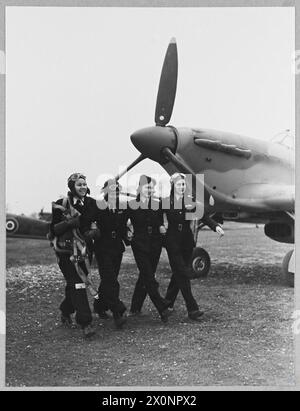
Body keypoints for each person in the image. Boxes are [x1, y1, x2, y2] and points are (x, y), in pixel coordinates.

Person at [163, 173, 224, 320]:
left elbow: (203, 216)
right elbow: (153, 217)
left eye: (183, 185)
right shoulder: (165, 202)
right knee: (183, 273)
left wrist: (215, 227)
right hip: (172, 242)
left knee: (178, 274)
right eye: (179, 184)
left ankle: (166, 304)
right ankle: (192, 309)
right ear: (173, 186)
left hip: (186, 242)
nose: (182, 187)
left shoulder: (189, 201)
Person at [49, 173, 96, 338]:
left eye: (84, 184)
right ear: (72, 187)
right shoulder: (60, 205)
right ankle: (86, 322)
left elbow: (91, 225)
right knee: (78, 284)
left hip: (84, 253)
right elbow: (53, 229)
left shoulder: (91, 204)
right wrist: (69, 223)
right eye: (79, 184)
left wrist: (92, 232)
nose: (83, 187)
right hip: (66, 252)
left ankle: (65, 309)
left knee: (74, 283)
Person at [81, 179, 128, 329]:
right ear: (106, 191)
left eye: (118, 190)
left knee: (108, 280)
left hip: (117, 247)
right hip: (103, 248)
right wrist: (91, 229)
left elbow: (123, 227)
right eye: (112, 190)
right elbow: (86, 221)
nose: (115, 193)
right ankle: (117, 312)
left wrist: (128, 235)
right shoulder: (98, 206)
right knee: (111, 281)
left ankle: (99, 306)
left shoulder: (122, 207)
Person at [126, 175, 172, 323]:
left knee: (146, 275)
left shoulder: (157, 205)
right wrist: (127, 233)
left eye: (152, 187)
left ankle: (135, 307)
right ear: (140, 188)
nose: (150, 189)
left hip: (155, 243)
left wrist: (161, 226)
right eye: (147, 187)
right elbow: (121, 222)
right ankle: (162, 307)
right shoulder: (132, 204)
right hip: (139, 244)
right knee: (148, 276)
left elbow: (159, 222)